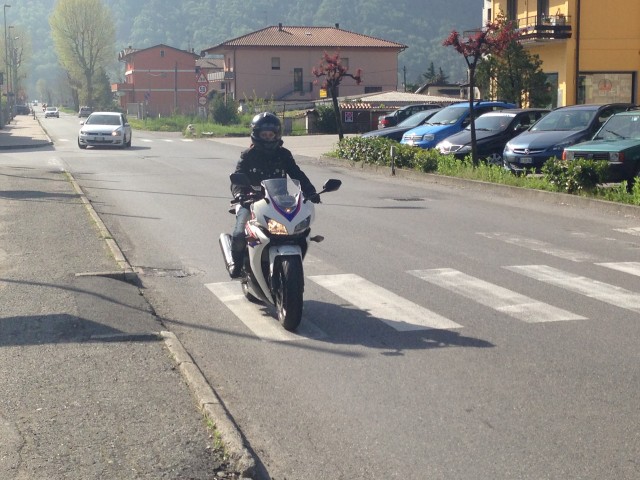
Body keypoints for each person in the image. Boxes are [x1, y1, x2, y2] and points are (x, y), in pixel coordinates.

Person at [227, 112, 320, 278]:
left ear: (277, 135)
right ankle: (237, 265)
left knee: (298, 232)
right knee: (239, 234)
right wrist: (240, 194)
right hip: (251, 201)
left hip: (279, 201)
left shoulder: (284, 154)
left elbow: (296, 173)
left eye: (271, 135)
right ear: (256, 135)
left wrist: (310, 191)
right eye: (264, 135)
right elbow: (237, 177)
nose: (268, 138)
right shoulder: (248, 155)